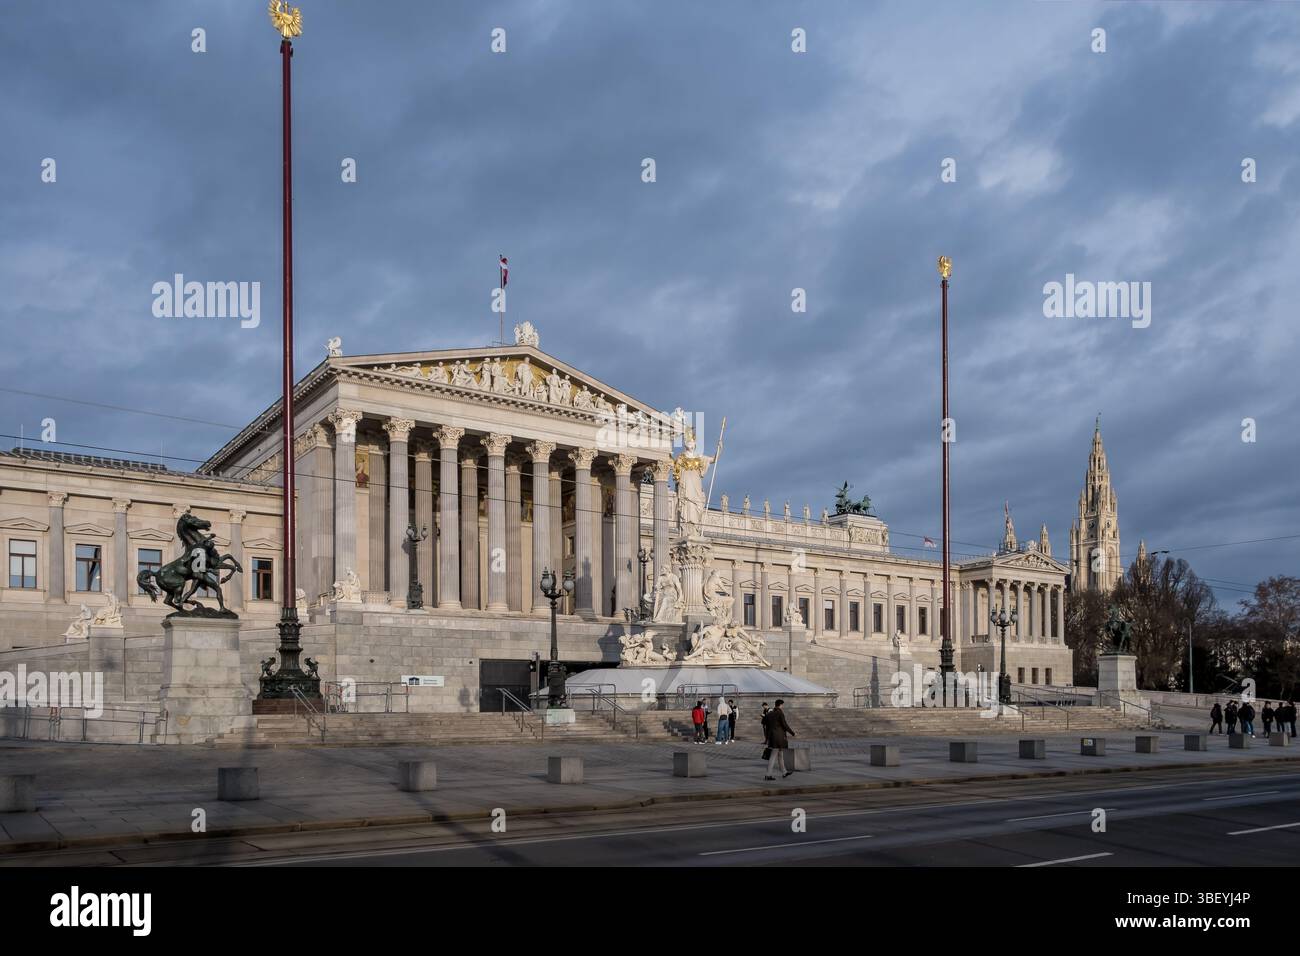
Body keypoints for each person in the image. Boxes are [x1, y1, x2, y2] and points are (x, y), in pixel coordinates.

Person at [763, 699, 796, 781]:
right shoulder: (779, 713)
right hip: (779, 738)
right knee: (773, 756)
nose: (782, 706)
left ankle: (784, 772)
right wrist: (792, 733)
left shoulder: (770, 713)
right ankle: (768, 775)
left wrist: (767, 737)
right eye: (782, 705)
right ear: (780, 705)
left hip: (772, 737)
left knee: (780, 755)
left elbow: (764, 722)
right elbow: (784, 724)